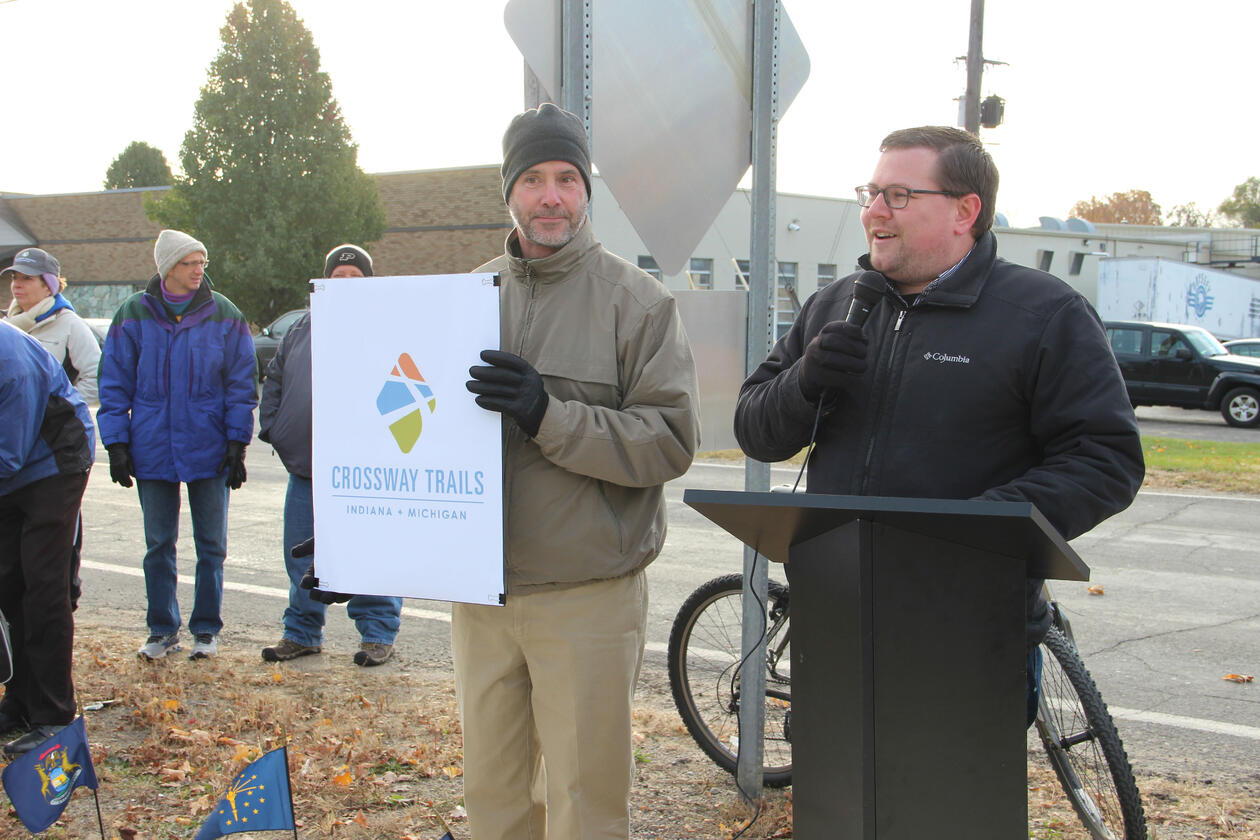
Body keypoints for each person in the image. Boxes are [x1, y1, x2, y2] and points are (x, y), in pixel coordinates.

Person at [734, 126, 1145, 726]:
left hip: (970, 628)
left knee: (947, 783)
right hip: (835, 616)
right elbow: (755, 430)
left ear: (965, 211)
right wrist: (804, 381)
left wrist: (972, 531)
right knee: (835, 783)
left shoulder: (1044, 314)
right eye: (871, 193)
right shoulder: (836, 305)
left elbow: (1105, 460)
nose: (875, 211)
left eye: (898, 195)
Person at [458, 103, 700, 840]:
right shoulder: (466, 297)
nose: (552, 197)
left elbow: (669, 442)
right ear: (509, 191)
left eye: (567, 178)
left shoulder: (638, 304)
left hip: (587, 595)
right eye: (533, 179)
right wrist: (363, 535)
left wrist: (548, 415)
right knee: (493, 799)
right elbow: (419, 432)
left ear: (587, 189)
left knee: (584, 802)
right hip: (483, 596)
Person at [97, 229, 256, 661]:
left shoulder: (224, 313)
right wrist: (116, 443)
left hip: (209, 447)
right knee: (158, 545)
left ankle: (206, 629)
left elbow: (241, 385)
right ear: (168, 267)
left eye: (202, 262)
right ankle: (162, 629)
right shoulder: (133, 314)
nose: (198, 270)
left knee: (211, 546)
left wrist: (236, 442)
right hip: (152, 446)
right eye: (189, 263)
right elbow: (114, 383)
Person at [258, 244, 403, 668]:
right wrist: (276, 429)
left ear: (370, 283)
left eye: (356, 278)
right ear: (323, 283)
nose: (346, 284)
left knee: (371, 553)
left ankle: (378, 633)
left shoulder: (388, 328)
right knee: (300, 555)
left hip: (368, 472)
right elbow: (274, 381)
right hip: (308, 469)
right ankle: (301, 633)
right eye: (338, 278)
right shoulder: (301, 329)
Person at [0, 320, 94, 756]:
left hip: (55, 464)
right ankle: (19, 702)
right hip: (11, 473)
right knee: (8, 585)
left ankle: (55, 716)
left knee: (43, 587)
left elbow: (8, 454)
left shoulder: (11, 364)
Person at [2, 247, 101, 612]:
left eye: (26, 278)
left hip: (54, 446)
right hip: (16, 442)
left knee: (53, 552)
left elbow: (95, 374)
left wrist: (63, 403)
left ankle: (66, 592)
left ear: (49, 285)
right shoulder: (10, 323)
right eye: (14, 278)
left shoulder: (68, 324)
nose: (17, 285)